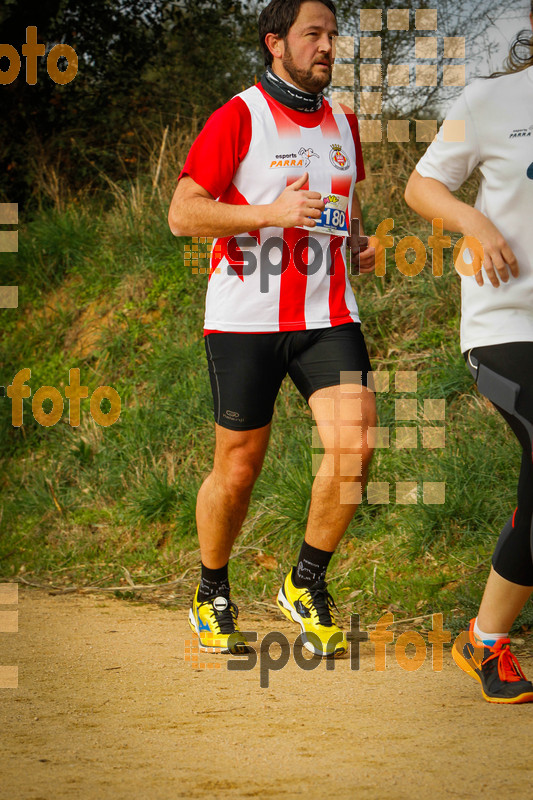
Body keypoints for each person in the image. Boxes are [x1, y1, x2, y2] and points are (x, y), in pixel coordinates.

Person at [168, 0, 378, 658]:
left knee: (356, 447)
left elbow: (344, 203)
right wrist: (270, 212)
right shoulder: (240, 116)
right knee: (236, 471)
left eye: (332, 36)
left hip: (328, 316)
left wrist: (360, 242)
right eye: (312, 35)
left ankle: (305, 580)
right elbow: (183, 215)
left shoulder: (344, 122)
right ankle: (211, 589)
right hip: (245, 321)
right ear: (274, 43)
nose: (326, 47)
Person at [405, 7, 533, 703]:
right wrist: (474, 223)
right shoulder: (491, 99)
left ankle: (484, 639)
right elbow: (421, 184)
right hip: (506, 323)